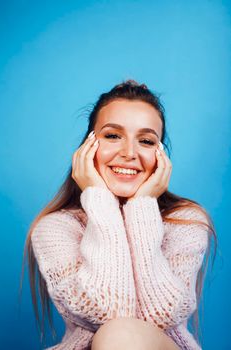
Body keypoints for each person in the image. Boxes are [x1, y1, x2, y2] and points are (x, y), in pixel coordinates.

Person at [21, 80, 216, 350]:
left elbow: (161, 316)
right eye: (113, 136)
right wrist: (100, 201)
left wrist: (142, 205)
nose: (129, 153)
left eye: (146, 141)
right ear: (87, 148)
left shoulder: (185, 221)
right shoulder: (55, 228)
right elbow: (107, 310)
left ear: (161, 156)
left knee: (121, 334)